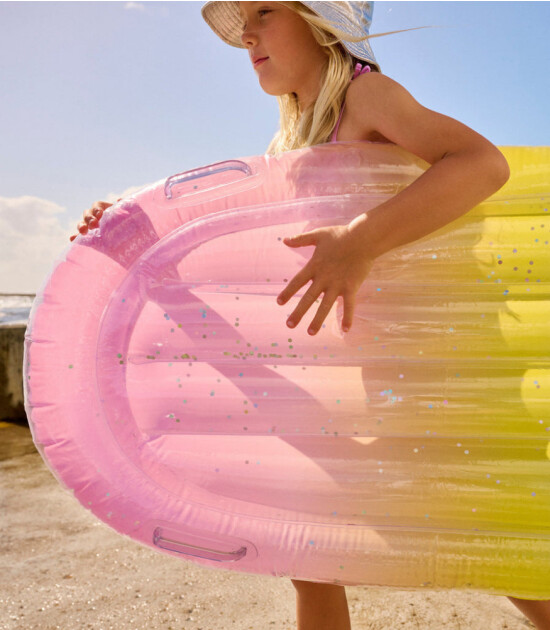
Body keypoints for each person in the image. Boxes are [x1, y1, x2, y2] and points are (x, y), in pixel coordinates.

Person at [71, 2, 550, 629]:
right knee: (310, 553)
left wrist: (360, 240)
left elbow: (482, 164)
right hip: (352, 382)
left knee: (497, 557)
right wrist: (142, 237)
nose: (247, 32)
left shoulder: (368, 96)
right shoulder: (293, 144)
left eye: (266, 10)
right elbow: (260, 261)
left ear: (322, 22)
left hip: (425, 385)